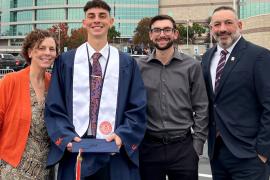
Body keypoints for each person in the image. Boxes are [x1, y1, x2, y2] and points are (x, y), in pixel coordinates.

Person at [44, 0, 147, 180]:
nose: (96, 20)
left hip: (115, 151)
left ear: (111, 21)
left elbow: (137, 106)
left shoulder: (127, 63)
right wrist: (65, 136)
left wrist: (123, 134)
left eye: (102, 16)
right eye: (91, 16)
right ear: (84, 23)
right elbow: (54, 105)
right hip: (75, 148)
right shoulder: (66, 62)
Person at [201, 6, 270, 180]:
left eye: (228, 23)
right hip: (217, 153)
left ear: (240, 25)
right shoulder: (207, 57)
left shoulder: (259, 56)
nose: (222, 29)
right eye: (217, 24)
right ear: (211, 29)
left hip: (249, 156)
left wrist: (262, 151)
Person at [137, 15, 209, 180]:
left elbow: (202, 107)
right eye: (157, 30)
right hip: (149, 147)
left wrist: (196, 147)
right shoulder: (138, 67)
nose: (162, 34)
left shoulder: (192, 66)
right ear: (150, 35)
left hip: (183, 148)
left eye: (167, 30)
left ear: (175, 34)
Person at [0, 29, 58, 179]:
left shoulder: (54, 84)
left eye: (52, 49)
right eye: (42, 48)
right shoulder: (10, 81)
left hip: (45, 168)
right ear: (30, 52)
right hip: (13, 167)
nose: (48, 52)